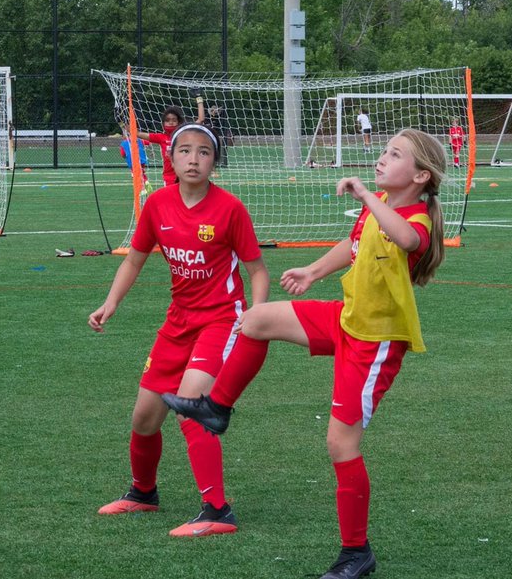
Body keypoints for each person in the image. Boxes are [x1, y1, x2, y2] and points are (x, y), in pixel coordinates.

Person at [163, 129, 448, 579]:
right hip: (346, 318)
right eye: (385, 150)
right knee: (255, 320)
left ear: (419, 175)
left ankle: (356, 553)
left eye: (395, 155)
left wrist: (366, 196)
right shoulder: (382, 204)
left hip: (375, 343)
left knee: (341, 445)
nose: (382, 158)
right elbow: (354, 246)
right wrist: (313, 271)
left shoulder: (414, 217)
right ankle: (216, 408)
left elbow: (407, 241)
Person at [90, 123, 269, 538]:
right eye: (185, 151)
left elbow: (257, 270)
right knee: (145, 418)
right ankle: (143, 493)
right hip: (178, 321)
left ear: (213, 162)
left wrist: (256, 314)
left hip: (222, 320)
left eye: (204, 152)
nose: (194, 158)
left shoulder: (230, 209)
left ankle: (217, 511)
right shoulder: (157, 204)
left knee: (191, 406)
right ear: (170, 159)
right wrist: (110, 303)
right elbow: (133, 260)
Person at [137, 105, 188, 187]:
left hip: (184, 175)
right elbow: (138, 134)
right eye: (167, 120)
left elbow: (200, 120)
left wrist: (199, 100)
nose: (171, 122)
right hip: (169, 177)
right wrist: (125, 125)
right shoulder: (161, 137)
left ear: (179, 122)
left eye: (174, 120)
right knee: (169, 199)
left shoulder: (184, 135)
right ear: (163, 123)